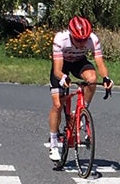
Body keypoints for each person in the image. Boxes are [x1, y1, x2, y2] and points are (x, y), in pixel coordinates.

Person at [47, 16, 113, 161]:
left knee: (92, 79)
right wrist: (64, 78)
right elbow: (57, 70)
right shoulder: (60, 39)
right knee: (58, 104)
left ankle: (82, 110)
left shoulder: (93, 39)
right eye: (79, 40)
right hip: (62, 64)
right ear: (71, 35)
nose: (83, 43)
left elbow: (100, 63)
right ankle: (53, 143)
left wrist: (106, 78)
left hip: (79, 62)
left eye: (85, 40)